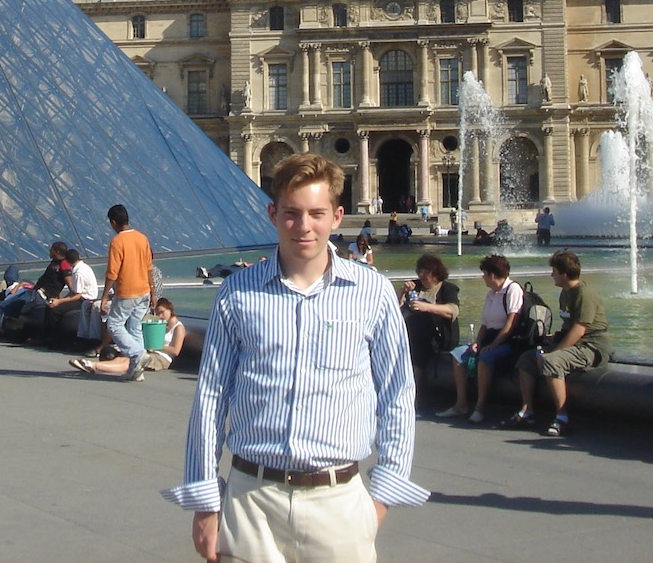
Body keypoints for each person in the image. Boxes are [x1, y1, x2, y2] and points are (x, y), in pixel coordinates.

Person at [162, 153, 426, 562]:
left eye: (316, 213)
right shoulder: (237, 293)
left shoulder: (372, 293)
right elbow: (210, 398)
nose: (304, 226)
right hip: (252, 499)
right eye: (292, 213)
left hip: (340, 503)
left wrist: (383, 495)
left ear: (337, 216)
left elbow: (397, 394)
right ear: (272, 213)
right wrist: (205, 501)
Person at [501, 251, 612, 437]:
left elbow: (579, 330)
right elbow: (568, 327)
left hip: (592, 346)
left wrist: (555, 352)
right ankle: (527, 411)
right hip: (575, 343)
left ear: (564, 274)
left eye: (554, 271)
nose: (551, 274)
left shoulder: (584, 295)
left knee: (551, 361)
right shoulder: (565, 293)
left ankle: (562, 418)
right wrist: (555, 338)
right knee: (527, 359)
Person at [435, 254, 523, 424]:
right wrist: (477, 342)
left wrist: (494, 344)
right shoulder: (491, 293)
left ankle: (480, 407)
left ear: (492, 275)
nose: (482, 277)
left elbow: (512, 322)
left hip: (508, 340)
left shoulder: (513, 290)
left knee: (485, 358)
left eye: (484, 274)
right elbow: (484, 324)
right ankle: (461, 403)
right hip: (489, 338)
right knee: (457, 355)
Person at [96, 204, 153, 382]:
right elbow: (149, 267)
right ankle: (136, 372)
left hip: (127, 291)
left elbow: (112, 272)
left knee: (114, 325)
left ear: (113, 222)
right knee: (135, 328)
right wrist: (154, 293)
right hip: (144, 290)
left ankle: (137, 354)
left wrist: (105, 297)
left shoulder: (117, 241)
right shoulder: (142, 238)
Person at [72, 297, 186, 375]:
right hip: (149, 352)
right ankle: (94, 365)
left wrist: (156, 346)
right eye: (158, 313)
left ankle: (94, 367)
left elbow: (175, 351)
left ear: (170, 309)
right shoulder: (159, 323)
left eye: (163, 312)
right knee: (125, 358)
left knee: (131, 362)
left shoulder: (178, 327)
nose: (160, 316)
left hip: (162, 358)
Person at [400, 253, 459, 393]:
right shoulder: (415, 286)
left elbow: (453, 311)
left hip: (437, 338)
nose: (421, 275)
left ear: (434, 274)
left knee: (418, 353)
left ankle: (413, 396)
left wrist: (427, 307)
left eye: (424, 272)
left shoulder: (448, 289)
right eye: (419, 271)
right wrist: (402, 292)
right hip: (414, 335)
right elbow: (396, 309)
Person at [47, 245, 103, 341]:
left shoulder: (78, 273)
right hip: (85, 297)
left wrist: (59, 302)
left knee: (54, 310)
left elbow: (77, 295)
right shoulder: (85, 267)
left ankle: (53, 339)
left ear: (67, 261)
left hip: (84, 300)